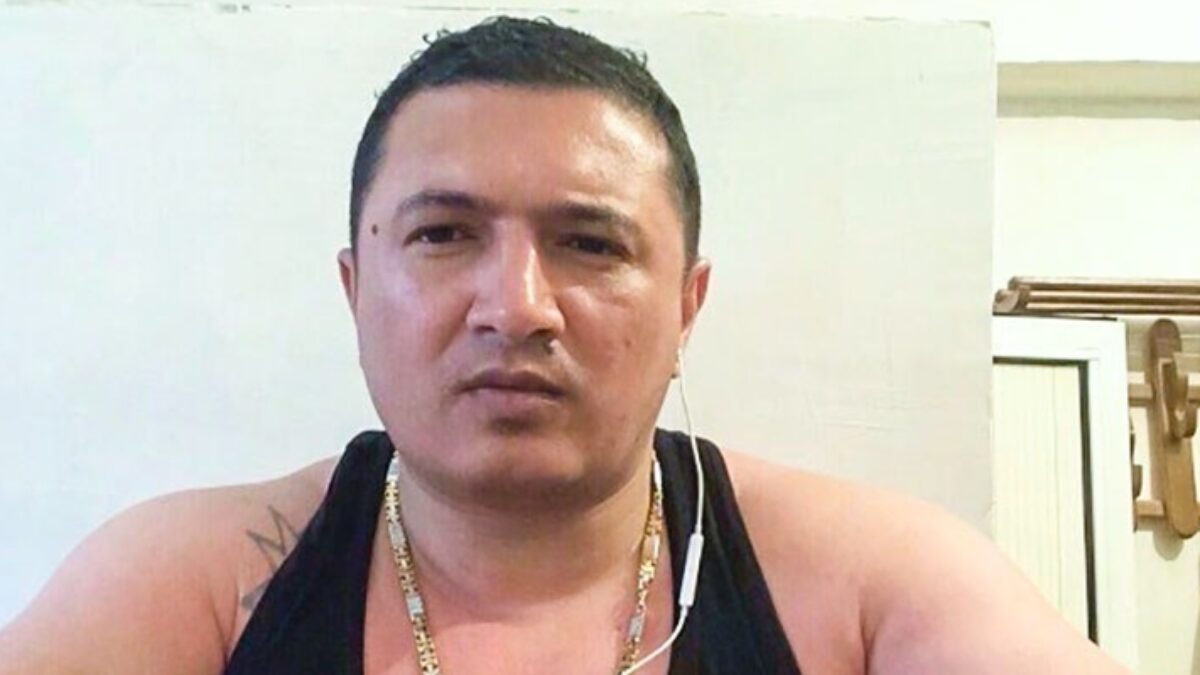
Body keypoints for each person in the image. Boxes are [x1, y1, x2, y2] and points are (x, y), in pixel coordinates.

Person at [0, 16, 1129, 675]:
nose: (517, 306)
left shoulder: (866, 588)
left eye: (590, 243)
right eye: (444, 234)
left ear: (686, 306)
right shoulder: (197, 584)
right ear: (355, 290)